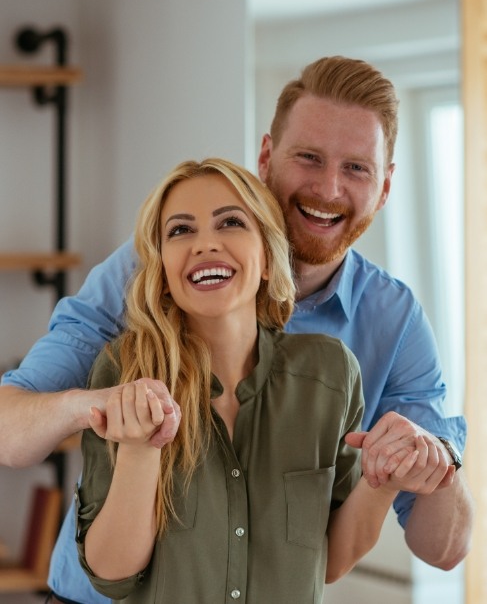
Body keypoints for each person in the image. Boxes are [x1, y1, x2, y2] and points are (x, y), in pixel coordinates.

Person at [0, 56, 473, 604]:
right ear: (268, 156)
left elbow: (441, 547)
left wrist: (426, 464)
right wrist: (107, 409)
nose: (328, 187)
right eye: (309, 158)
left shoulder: (382, 331)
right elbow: (11, 432)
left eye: (357, 169)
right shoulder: (150, 274)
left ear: (385, 186)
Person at [76, 157, 423, 602]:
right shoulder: (123, 373)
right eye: (180, 231)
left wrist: (385, 481)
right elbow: (112, 574)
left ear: (266, 258)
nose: (205, 245)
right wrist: (141, 451)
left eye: (231, 223)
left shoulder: (330, 375)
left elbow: (330, 561)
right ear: (162, 272)